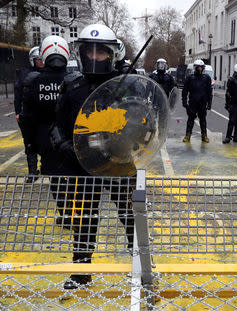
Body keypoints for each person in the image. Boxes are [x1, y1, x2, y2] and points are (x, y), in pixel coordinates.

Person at [51, 24, 134, 289]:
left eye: (101, 52)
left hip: (117, 162)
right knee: (84, 217)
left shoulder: (124, 86)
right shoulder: (72, 86)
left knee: (130, 213)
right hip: (81, 163)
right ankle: (82, 270)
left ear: (111, 54)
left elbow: (142, 121)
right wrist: (65, 147)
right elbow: (57, 125)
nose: (94, 56)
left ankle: (141, 263)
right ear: (81, 52)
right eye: (90, 50)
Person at [22, 36, 69, 177]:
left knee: (56, 185)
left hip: (44, 143)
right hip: (70, 146)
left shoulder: (33, 82)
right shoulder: (75, 80)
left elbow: (27, 118)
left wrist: (31, 145)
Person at [14, 46, 44, 181]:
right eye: (38, 59)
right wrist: (17, 112)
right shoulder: (25, 74)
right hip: (28, 114)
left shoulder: (48, 74)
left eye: (43, 59)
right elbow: (18, 94)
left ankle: (47, 167)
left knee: (47, 141)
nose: (41, 62)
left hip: (44, 113)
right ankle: (32, 171)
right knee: (29, 143)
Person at [181, 59, 212, 143]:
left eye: (201, 67)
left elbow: (209, 91)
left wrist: (209, 103)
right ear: (195, 68)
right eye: (198, 67)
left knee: (203, 120)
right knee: (190, 119)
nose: (200, 69)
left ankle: (204, 135)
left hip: (202, 102)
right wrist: (184, 102)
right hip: (193, 102)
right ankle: (188, 135)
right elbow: (185, 91)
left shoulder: (206, 78)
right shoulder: (190, 78)